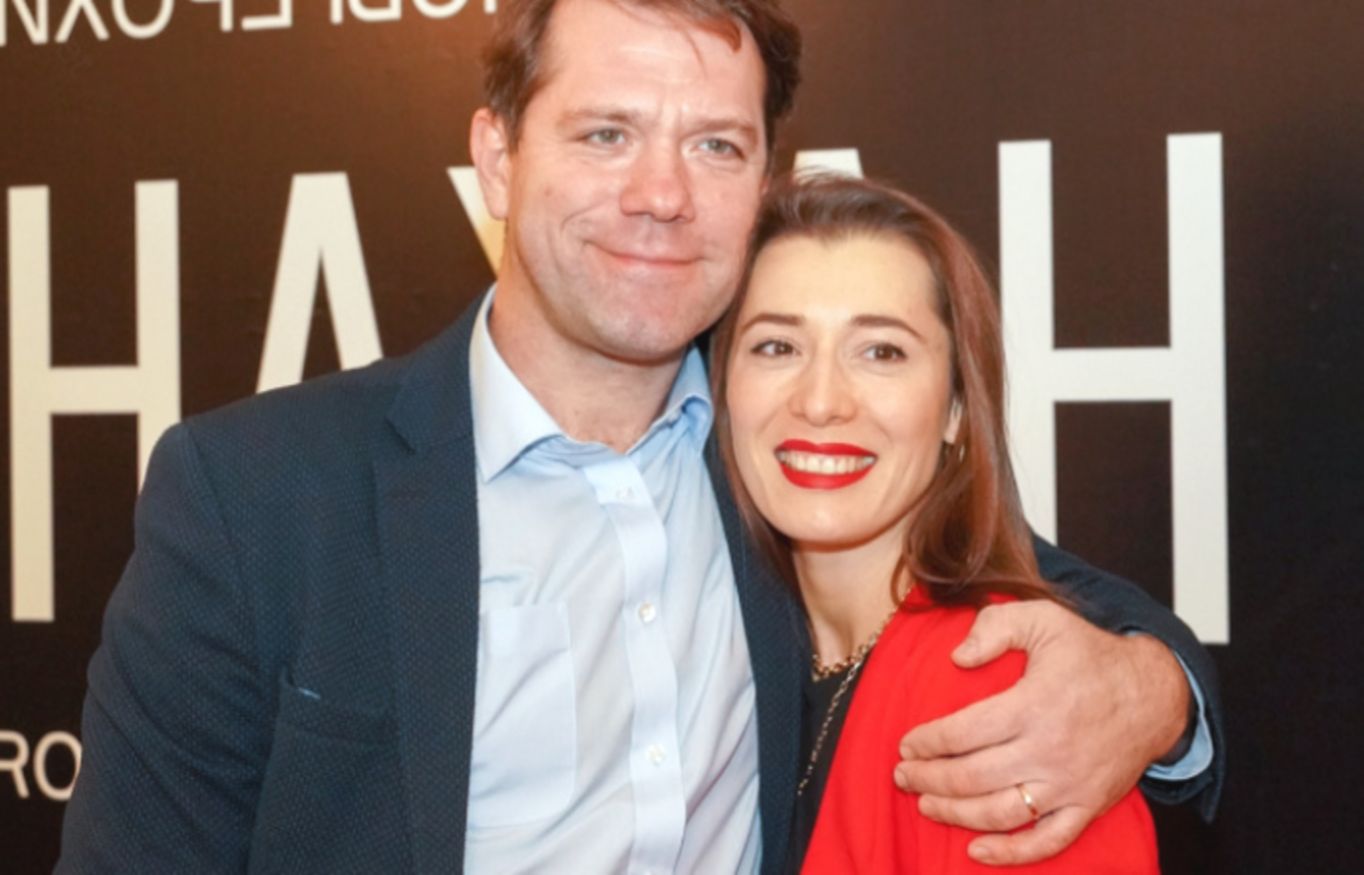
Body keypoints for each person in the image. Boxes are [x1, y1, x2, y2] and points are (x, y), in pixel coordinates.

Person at [57, 0, 1221, 872]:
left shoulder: (781, 463)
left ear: (760, 178)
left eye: (714, 145)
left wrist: (1156, 689)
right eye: (607, 133)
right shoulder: (259, 493)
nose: (661, 193)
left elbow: (1004, 583)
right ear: (497, 158)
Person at [713, 173, 1161, 872]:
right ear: (722, 388)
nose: (821, 400)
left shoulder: (1004, 701)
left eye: (881, 351)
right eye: (777, 346)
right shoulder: (734, 652)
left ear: (956, 409)